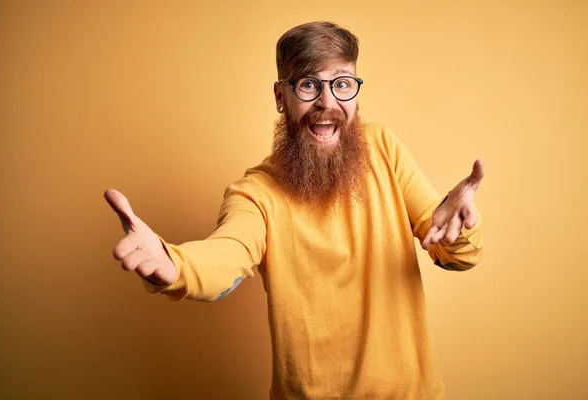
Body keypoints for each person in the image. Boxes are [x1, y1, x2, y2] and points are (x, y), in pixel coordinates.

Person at [105, 21, 485, 400]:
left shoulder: (383, 148)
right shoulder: (255, 192)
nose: (327, 102)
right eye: (307, 84)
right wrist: (175, 266)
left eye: (341, 83)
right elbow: (226, 255)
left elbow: (453, 255)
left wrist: (460, 230)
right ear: (280, 96)